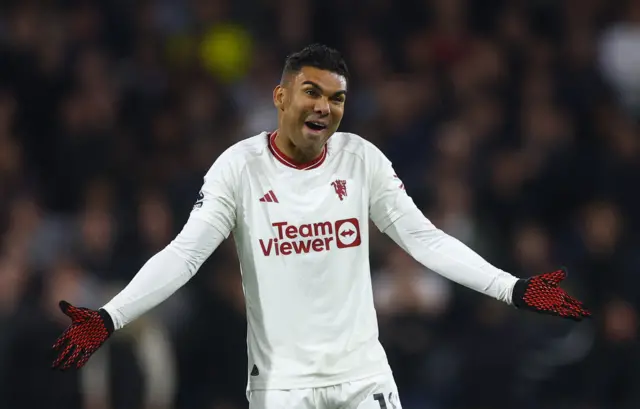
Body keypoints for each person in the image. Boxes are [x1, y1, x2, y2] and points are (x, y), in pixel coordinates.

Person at [52, 44, 590, 409]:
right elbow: (185, 254)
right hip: (283, 384)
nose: (325, 108)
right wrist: (110, 315)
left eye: (337, 98)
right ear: (280, 97)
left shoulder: (361, 160)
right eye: (312, 92)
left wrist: (512, 287)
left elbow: (424, 239)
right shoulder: (238, 168)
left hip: (363, 375)